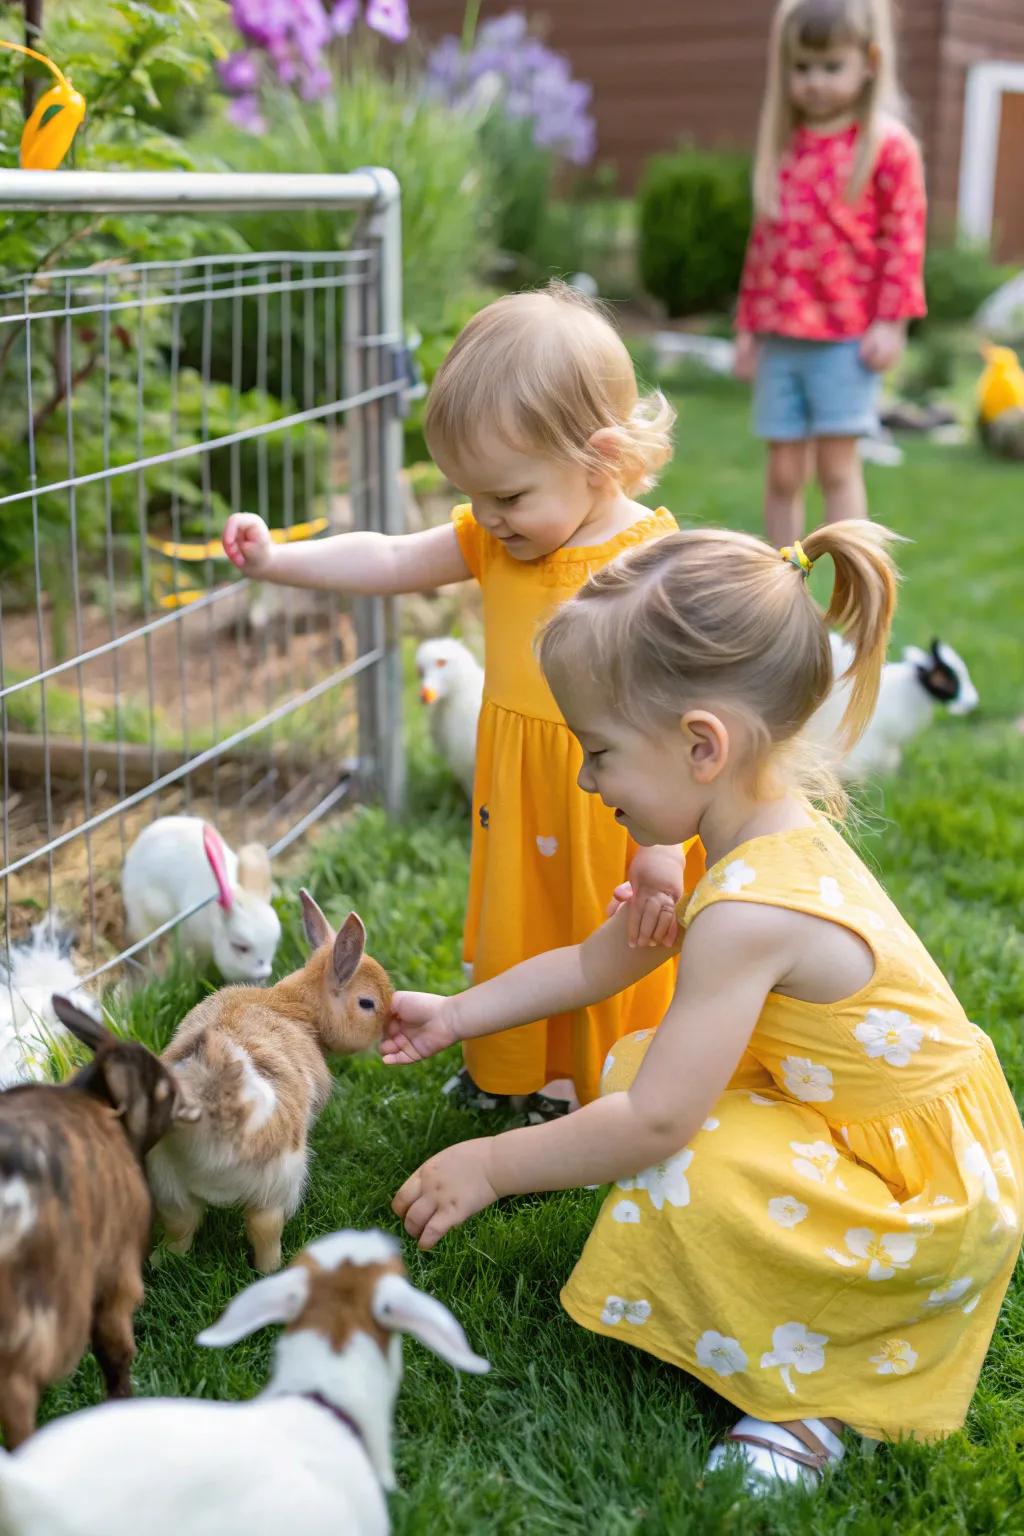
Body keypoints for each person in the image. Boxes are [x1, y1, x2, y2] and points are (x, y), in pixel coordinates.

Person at [382, 521, 1024, 1490]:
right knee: (639, 1061)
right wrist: (458, 1016)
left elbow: (653, 1124)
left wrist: (494, 1164)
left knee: (678, 1150)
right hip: (905, 1142)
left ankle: (805, 1402)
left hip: (926, 1204)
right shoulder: (744, 829)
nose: (588, 780)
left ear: (700, 745)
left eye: (598, 753)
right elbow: (602, 964)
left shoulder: (749, 910)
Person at [222, 283, 702, 1118]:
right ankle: (511, 1067)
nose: (487, 517)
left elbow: (682, 706)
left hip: (615, 802)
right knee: (521, 930)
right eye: (472, 494)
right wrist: (277, 562)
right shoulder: (497, 537)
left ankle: (589, 1084)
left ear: (600, 459)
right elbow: (388, 558)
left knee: (604, 937)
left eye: (509, 496)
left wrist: (662, 845)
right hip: (518, 791)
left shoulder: (645, 559)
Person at [734, 0, 927, 544]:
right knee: (783, 472)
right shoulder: (784, 144)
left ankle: (850, 591)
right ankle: (782, 589)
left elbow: (904, 242)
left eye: (830, 66)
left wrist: (892, 322)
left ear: (868, 62)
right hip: (780, 339)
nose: (814, 82)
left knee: (837, 469)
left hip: (845, 340)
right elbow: (763, 246)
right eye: (801, 68)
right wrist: (747, 329)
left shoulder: (888, 147)